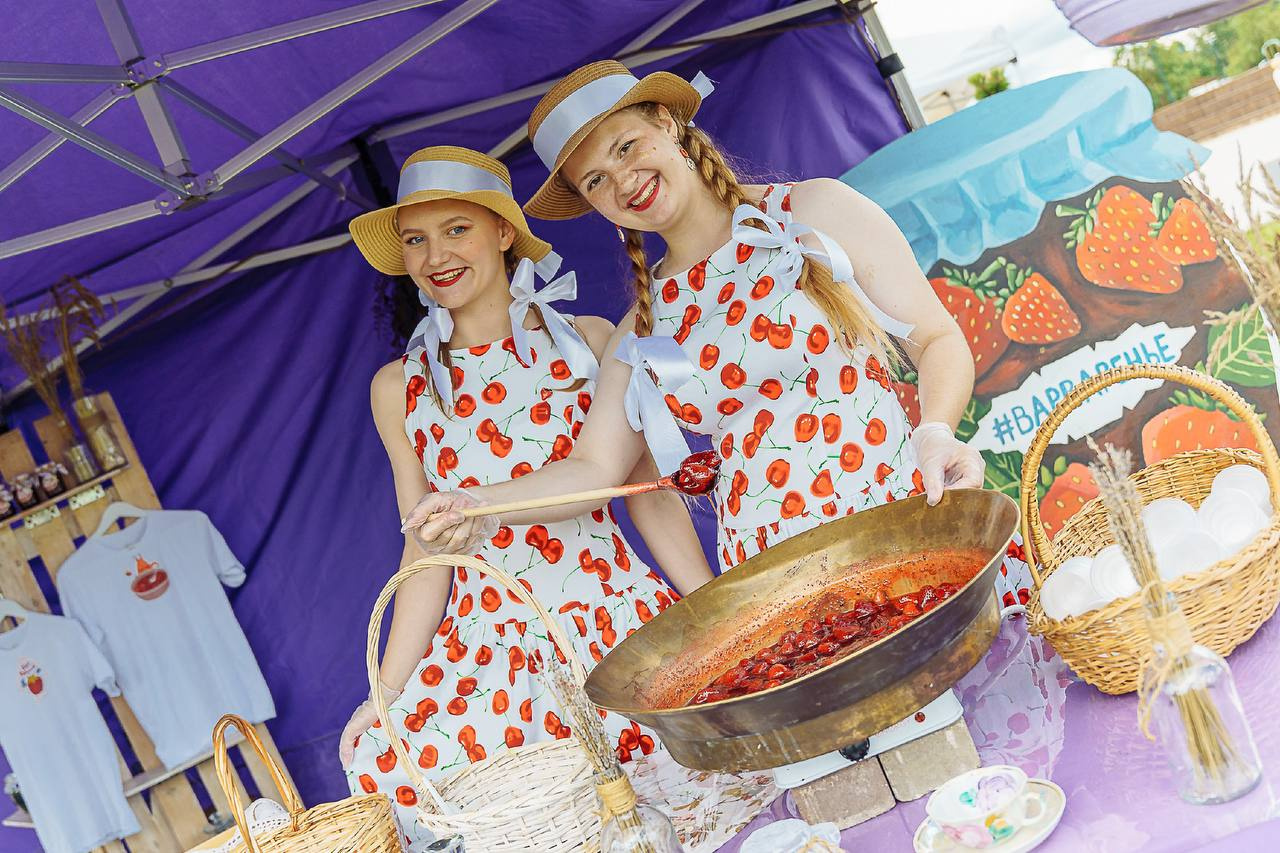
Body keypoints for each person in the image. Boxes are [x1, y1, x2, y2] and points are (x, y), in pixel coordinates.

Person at [401, 62, 1030, 604]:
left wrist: (936, 431)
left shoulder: (812, 213)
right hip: (776, 585)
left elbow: (937, 340)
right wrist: (476, 502)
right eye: (595, 181)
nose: (622, 180)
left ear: (668, 124)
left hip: (901, 518)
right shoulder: (640, 331)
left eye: (626, 147)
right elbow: (592, 468)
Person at [338, 145, 718, 843]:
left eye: (457, 229)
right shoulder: (397, 387)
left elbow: (648, 494)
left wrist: (713, 605)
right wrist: (385, 691)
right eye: (416, 240)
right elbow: (424, 550)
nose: (435, 256)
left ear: (503, 231)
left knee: (677, 816)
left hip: (610, 618)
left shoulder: (590, 342)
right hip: (491, 651)